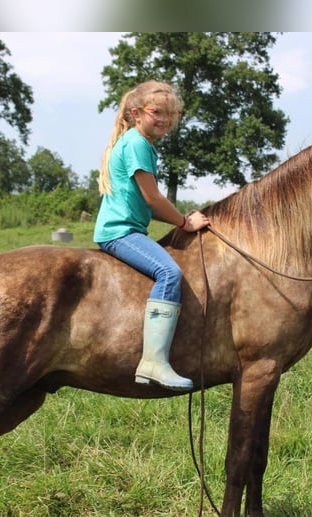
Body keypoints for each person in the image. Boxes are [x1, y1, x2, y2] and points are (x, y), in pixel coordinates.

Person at [94, 81, 210, 391]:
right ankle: (154, 361)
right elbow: (153, 198)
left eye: (171, 113)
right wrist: (185, 222)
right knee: (169, 273)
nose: (165, 119)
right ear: (136, 113)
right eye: (157, 112)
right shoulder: (137, 145)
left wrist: (178, 220)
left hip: (128, 228)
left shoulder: (139, 143)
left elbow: (148, 205)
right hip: (120, 233)